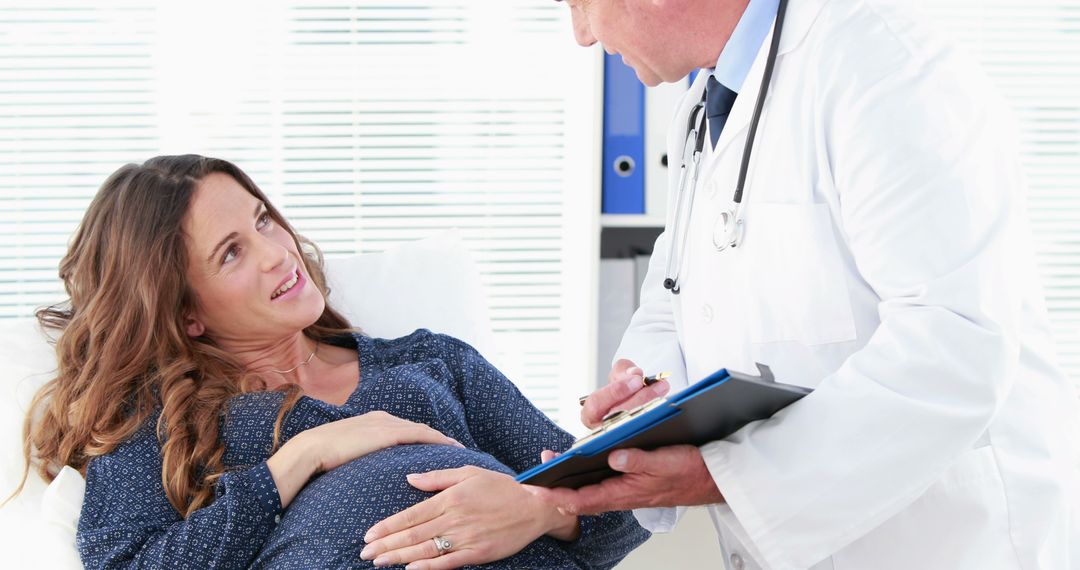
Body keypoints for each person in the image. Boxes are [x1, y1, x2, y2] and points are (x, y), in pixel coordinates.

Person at [531, 0, 1080, 568]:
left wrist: (725, 475)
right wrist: (643, 401)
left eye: (579, 4)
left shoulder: (883, 65)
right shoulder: (707, 104)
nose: (581, 35)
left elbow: (956, 340)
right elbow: (675, 300)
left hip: (950, 542)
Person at [11, 154, 650, 569]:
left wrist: (542, 510)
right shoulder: (163, 415)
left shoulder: (433, 361)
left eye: (263, 221)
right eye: (231, 253)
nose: (276, 252)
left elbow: (621, 507)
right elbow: (127, 563)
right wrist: (304, 456)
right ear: (186, 314)